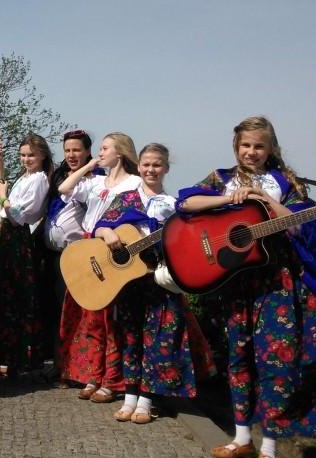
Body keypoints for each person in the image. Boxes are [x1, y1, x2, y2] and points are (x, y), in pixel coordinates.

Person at [177, 116, 316, 458]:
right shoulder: (221, 178)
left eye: (259, 146)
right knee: (238, 357)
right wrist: (227, 198)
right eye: (245, 145)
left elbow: (306, 225)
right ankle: (241, 438)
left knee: (276, 360)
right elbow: (185, 203)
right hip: (235, 281)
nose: (251, 152)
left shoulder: (287, 183)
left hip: (277, 283)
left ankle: (269, 447)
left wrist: (265, 202)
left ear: (271, 148)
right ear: (236, 147)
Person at [90, 144, 199, 424]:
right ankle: (129, 397)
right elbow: (99, 226)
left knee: (158, 339)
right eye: (147, 165)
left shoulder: (173, 205)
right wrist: (107, 233)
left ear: (166, 168)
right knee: (129, 338)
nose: (151, 170)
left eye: (157, 165)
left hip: (157, 280)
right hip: (128, 281)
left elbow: (182, 242)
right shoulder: (125, 198)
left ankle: (147, 400)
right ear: (138, 166)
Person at [56, 132, 141, 402]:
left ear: (121, 153)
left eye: (105, 149)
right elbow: (64, 188)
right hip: (90, 249)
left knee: (112, 321)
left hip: (115, 252)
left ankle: (112, 380)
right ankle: (94, 375)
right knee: (92, 319)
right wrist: (89, 166)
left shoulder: (134, 183)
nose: (100, 153)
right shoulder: (96, 182)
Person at [0, 133, 52, 376]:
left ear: (42, 156)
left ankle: (22, 356)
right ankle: (10, 353)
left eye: (31, 155)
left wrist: (3, 195)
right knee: (7, 294)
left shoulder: (39, 180)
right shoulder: (24, 177)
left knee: (18, 294)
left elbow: (19, 215)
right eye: (23, 155)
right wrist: (0, 165)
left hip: (18, 236)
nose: (26, 159)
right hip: (8, 235)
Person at [41, 129, 100, 378]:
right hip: (53, 255)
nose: (72, 155)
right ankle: (60, 364)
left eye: (77, 150)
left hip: (79, 255)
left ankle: (78, 367)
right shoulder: (57, 177)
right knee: (56, 311)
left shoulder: (96, 178)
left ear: (88, 152)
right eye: (67, 150)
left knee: (77, 313)